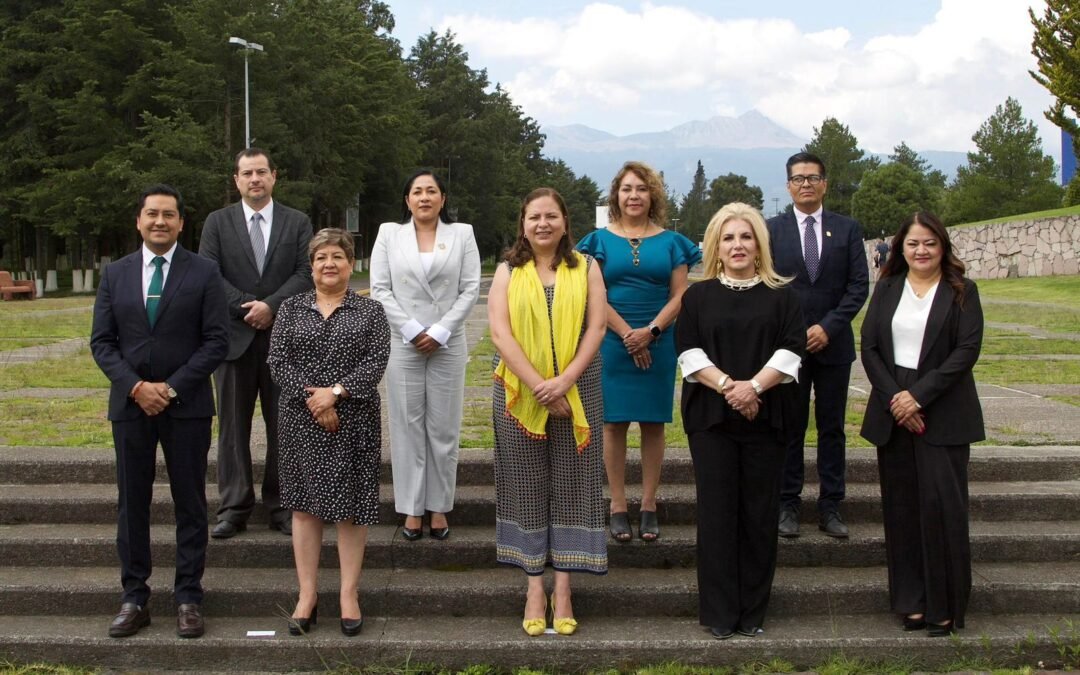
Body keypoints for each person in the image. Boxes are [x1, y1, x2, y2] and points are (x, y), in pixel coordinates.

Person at [90, 184, 230, 639]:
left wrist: (168, 389)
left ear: (181, 223)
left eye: (169, 215)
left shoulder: (205, 272)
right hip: (130, 407)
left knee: (190, 502)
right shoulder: (115, 274)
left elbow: (216, 342)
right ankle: (134, 597)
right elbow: (102, 342)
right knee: (133, 504)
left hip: (186, 406)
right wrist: (135, 387)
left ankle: (188, 596)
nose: (160, 222)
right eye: (152, 214)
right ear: (138, 220)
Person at [676, 202, 804, 639]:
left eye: (746, 237)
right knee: (716, 514)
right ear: (715, 245)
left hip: (767, 419)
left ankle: (752, 613)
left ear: (759, 244)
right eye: (728, 238)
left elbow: (790, 351)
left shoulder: (784, 296)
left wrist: (755, 389)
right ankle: (719, 613)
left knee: (759, 514)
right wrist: (733, 387)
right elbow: (690, 354)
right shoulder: (696, 296)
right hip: (712, 420)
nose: (737, 245)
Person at [489, 188, 608, 636]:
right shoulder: (507, 271)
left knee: (574, 483)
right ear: (523, 223)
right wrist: (541, 387)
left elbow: (596, 327)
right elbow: (500, 334)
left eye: (551, 216)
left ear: (564, 222)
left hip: (580, 390)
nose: (543, 224)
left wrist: (565, 381)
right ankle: (533, 586)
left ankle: (564, 589)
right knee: (526, 483)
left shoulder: (588, 268)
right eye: (534, 216)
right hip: (521, 393)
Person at [860, 212, 983, 637]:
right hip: (893, 409)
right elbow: (870, 347)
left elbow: (966, 351)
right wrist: (898, 398)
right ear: (901, 248)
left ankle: (944, 606)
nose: (921, 251)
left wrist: (919, 396)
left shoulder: (962, 291)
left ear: (942, 246)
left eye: (930, 242)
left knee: (942, 508)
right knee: (902, 510)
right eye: (913, 244)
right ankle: (910, 601)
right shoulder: (888, 287)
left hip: (943, 410)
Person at [267, 228, 391, 637]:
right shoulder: (290, 308)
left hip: (354, 420)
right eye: (321, 258)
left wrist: (334, 395)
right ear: (312, 264)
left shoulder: (370, 312)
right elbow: (278, 362)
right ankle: (307, 596)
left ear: (350, 262)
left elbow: (376, 361)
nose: (329, 264)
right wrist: (315, 403)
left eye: (337, 256)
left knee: (351, 509)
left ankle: (348, 595)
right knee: (304, 508)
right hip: (301, 421)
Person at [576, 161, 701, 543]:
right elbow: (591, 294)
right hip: (611, 340)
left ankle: (648, 504)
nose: (634, 195)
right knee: (612, 423)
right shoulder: (596, 242)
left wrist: (651, 331)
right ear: (616, 194)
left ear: (653, 196)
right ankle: (616, 505)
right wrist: (628, 334)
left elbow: (680, 295)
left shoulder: (672, 243)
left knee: (652, 423)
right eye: (627, 188)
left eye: (642, 189)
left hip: (659, 340)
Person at [199, 148, 314, 539]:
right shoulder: (217, 222)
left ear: (274, 176)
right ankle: (234, 507)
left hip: (286, 341)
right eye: (246, 173)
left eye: (261, 172)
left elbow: (305, 271)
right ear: (236, 180)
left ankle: (282, 504)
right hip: (233, 340)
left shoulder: (297, 222)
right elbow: (209, 273)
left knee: (285, 425)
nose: (255, 179)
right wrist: (249, 309)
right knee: (232, 427)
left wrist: (271, 306)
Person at [369, 170, 481, 541]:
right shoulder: (389, 234)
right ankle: (411, 509)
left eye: (432, 191)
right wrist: (413, 329)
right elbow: (380, 288)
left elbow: (469, 289)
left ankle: (439, 507)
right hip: (405, 341)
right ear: (407, 200)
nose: (424, 197)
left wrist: (441, 330)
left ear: (443, 199)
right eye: (417, 191)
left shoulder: (462, 234)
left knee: (444, 428)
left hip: (448, 342)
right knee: (406, 427)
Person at [766, 152, 869, 539]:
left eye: (813, 177)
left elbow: (858, 286)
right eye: (798, 178)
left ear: (825, 183)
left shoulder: (846, 229)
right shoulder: (771, 230)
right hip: (788, 349)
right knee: (790, 427)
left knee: (832, 429)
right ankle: (788, 504)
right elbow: (768, 285)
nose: (806, 184)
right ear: (788, 186)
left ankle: (831, 506)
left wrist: (828, 327)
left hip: (834, 347)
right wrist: (795, 332)